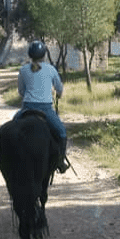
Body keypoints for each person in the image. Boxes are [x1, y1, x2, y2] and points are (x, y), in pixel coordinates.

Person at [16, 40, 70, 173]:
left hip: (27, 107)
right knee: (62, 133)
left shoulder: (23, 70)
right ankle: (60, 162)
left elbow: (21, 91)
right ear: (44, 55)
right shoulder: (51, 69)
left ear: (30, 55)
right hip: (46, 109)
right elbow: (59, 88)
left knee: (13, 126)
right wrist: (59, 94)